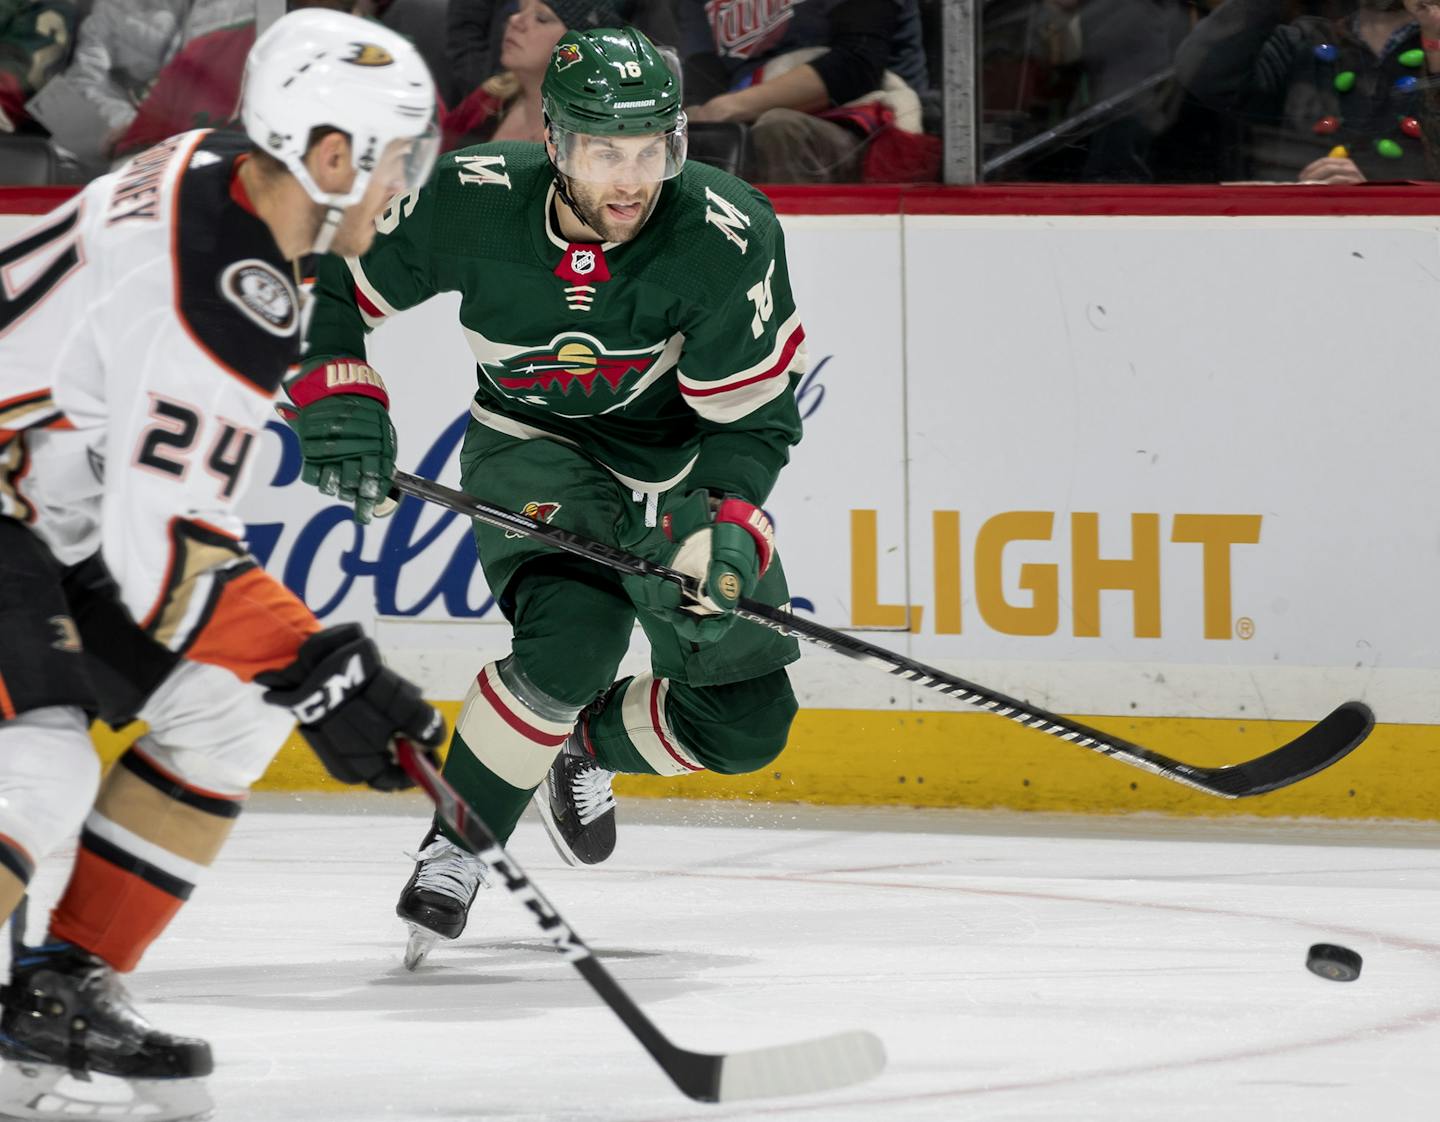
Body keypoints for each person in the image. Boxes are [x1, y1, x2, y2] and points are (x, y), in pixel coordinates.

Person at [0, 10, 443, 1118]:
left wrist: (300, 671)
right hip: (17, 505)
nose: (405, 183)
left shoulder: (216, 169)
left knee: (234, 713)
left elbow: (151, 475)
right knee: (38, 771)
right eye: (399, 157)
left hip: (41, 508)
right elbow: (165, 564)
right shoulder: (225, 296)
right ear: (330, 157)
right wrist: (324, 665)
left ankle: (54, 994)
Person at [292, 26, 807, 968]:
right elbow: (335, 278)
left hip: (681, 473)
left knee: (746, 723)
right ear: (557, 144)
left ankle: (576, 749)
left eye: (650, 149)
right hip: (538, 449)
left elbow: (753, 421)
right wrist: (336, 382)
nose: (630, 178)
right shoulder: (471, 199)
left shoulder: (726, 235)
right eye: (605, 150)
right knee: (573, 643)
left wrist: (729, 524)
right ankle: (461, 842)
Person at [1176, 0, 1440, 183]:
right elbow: (1204, 75)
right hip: (1302, 231)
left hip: (1413, 237)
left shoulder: (1433, 40)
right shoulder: (1304, 40)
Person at [678, 0, 931, 182]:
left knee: (780, 129)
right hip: (744, 119)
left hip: (864, 123)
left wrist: (725, 109)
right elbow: (702, 82)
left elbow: (857, 64)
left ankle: (781, 251)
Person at [442, 0, 621, 149]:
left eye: (541, 18)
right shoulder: (491, 97)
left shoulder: (596, 140)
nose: (515, 20)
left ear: (578, 48)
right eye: (520, 10)